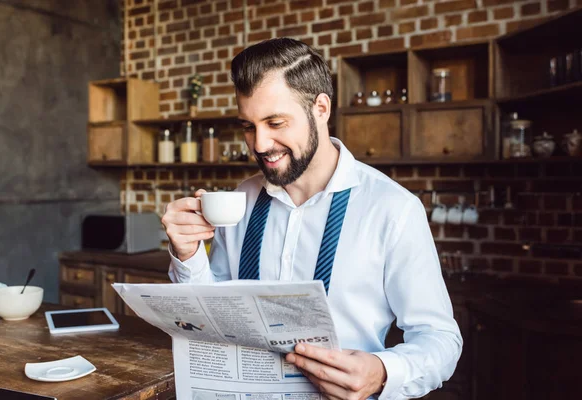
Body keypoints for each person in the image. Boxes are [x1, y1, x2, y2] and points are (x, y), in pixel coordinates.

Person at [162, 38, 462, 400]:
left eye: (276, 122)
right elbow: (211, 318)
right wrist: (187, 254)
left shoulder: (392, 209)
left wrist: (383, 372)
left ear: (320, 107)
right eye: (248, 126)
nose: (259, 144)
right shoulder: (241, 199)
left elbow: (440, 339)